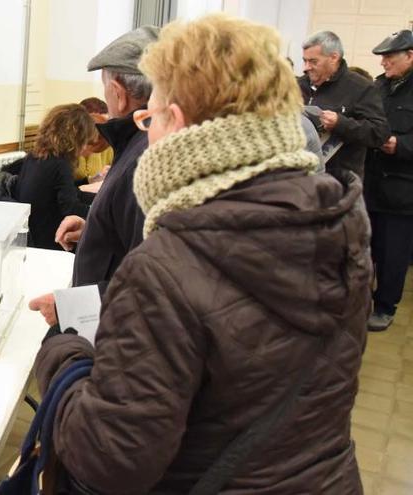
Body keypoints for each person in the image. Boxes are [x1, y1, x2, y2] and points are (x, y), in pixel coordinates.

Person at [34, 15, 369, 494]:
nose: (147, 134)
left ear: (181, 120)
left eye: (151, 117)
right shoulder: (338, 224)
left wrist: (63, 353)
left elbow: (109, 461)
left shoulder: (166, 268)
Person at [28, 26, 157, 324]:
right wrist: (93, 231)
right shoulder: (138, 145)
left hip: (111, 328)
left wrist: (71, 307)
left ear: (119, 94)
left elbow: (149, 280)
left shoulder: (144, 157)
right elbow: (132, 236)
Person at [364, 30, 413, 331]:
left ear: (410, 55)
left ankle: (385, 306)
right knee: (368, 248)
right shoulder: (377, 87)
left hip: (403, 189)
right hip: (371, 183)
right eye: (382, 57)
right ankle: (363, 299)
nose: (383, 62)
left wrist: (401, 146)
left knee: (393, 255)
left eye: (389, 57)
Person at [298, 30, 389, 177]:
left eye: (313, 61)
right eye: (304, 61)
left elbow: (379, 133)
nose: (306, 67)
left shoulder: (361, 88)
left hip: (340, 181)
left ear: (334, 57)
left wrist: (340, 123)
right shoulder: (297, 85)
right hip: (301, 177)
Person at [15, 104, 94, 250]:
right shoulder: (60, 164)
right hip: (49, 240)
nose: (85, 147)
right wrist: (99, 212)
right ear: (76, 137)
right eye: (85, 141)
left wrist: (97, 198)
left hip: (32, 234)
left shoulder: (34, 157)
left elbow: (69, 193)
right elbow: (70, 208)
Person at [75, 97, 113, 185]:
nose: (103, 129)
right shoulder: (68, 146)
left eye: (106, 123)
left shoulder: (108, 142)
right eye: (98, 125)